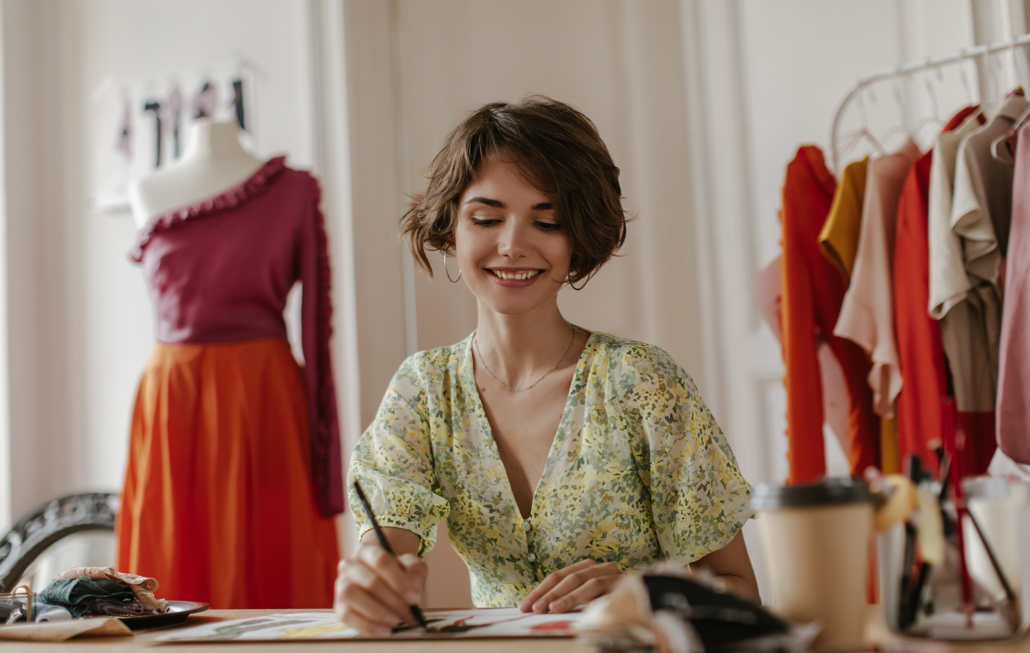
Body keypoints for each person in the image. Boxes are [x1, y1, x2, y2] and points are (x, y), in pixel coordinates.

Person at [336, 96, 757, 634]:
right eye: (486, 218)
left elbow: (742, 592)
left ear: (578, 237)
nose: (512, 245)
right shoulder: (423, 390)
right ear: (449, 230)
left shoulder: (642, 382)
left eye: (548, 220)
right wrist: (371, 584)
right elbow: (385, 548)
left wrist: (647, 594)